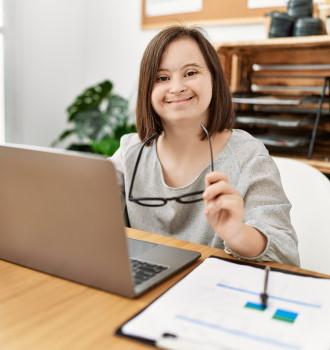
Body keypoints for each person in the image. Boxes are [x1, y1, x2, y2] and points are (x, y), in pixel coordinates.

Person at [111, 25, 299, 266]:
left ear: (214, 77)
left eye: (190, 73)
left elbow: (286, 253)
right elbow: (88, 216)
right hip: (145, 289)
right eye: (162, 78)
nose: (176, 87)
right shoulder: (130, 151)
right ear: (148, 89)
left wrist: (237, 233)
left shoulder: (247, 155)